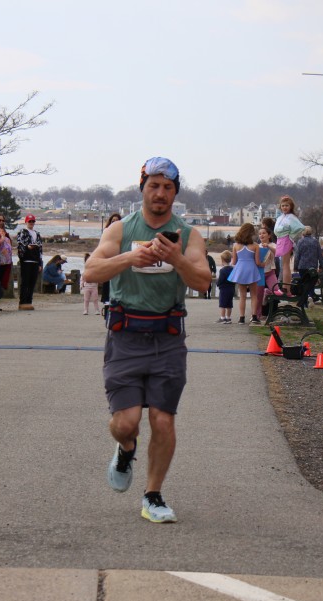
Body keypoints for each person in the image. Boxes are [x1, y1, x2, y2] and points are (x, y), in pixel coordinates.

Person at [83, 156, 211, 523]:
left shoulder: (187, 234)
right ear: (142, 188)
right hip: (125, 337)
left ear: (175, 193)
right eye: (153, 186)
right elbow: (91, 270)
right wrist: (129, 258)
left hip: (167, 339)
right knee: (125, 424)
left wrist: (176, 258)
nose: (160, 193)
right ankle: (126, 448)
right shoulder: (121, 229)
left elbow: (203, 281)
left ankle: (153, 495)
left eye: (168, 187)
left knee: (163, 420)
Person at [227, 222, 262, 324]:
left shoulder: (236, 245)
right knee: (254, 295)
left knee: (242, 296)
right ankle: (254, 316)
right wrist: (263, 264)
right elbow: (257, 262)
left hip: (241, 270)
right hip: (251, 269)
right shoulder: (255, 246)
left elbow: (234, 262)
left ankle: (241, 318)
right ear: (251, 233)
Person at [273, 196, 304, 292]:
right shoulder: (281, 217)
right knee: (284, 264)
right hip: (280, 240)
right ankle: (286, 288)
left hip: (286, 240)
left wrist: (291, 236)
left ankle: (286, 288)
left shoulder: (291, 217)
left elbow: (300, 227)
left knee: (285, 265)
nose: (284, 207)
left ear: (290, 206)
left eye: (287, 205)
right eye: (283, 206)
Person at [16, 214, 43, 310]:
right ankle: (22, 302)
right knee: (25, 282)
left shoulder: (37, 234)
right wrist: (27, 247)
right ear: (26, 222)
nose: (31, 223)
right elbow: (20, 245)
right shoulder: (22, 232)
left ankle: (29, 301)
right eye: (29, 221)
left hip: (35, 261)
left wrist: (40, 263)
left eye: (33, 221)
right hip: (26, 260)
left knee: (32, 282)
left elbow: (40, 250)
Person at [100, 213, 122, 308]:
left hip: (119, 258)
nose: (115, 222)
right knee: (108, 279)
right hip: (108, 258)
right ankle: (106, 300)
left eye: (117, 220)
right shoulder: (106, 232)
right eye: (113, 221)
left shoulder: (124, 232)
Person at [294, 226, 320, 306]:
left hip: (303, 266)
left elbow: (297, 255)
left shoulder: (300, 241)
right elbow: (319, 254)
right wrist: (321, 265)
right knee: (311, 283)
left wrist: (295, 266)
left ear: (303, 232)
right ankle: (310, 296)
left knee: (304, 283)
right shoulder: (315, 241)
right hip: (313, 266)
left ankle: (304, 302)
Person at [0, 215, 13, 311]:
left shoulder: (5, 232)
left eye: (3, 220)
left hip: (6, 262)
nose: (1, 222)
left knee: (1, 280)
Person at [216, 250, 234, 323]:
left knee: (222, 304)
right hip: (231, 288)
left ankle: (222, 317)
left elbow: (221, 280)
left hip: (224, 289)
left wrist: (218, 283)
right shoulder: (233, 269)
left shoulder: (222, 270)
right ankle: (228, 317)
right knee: (229, 304)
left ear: (222, 260)